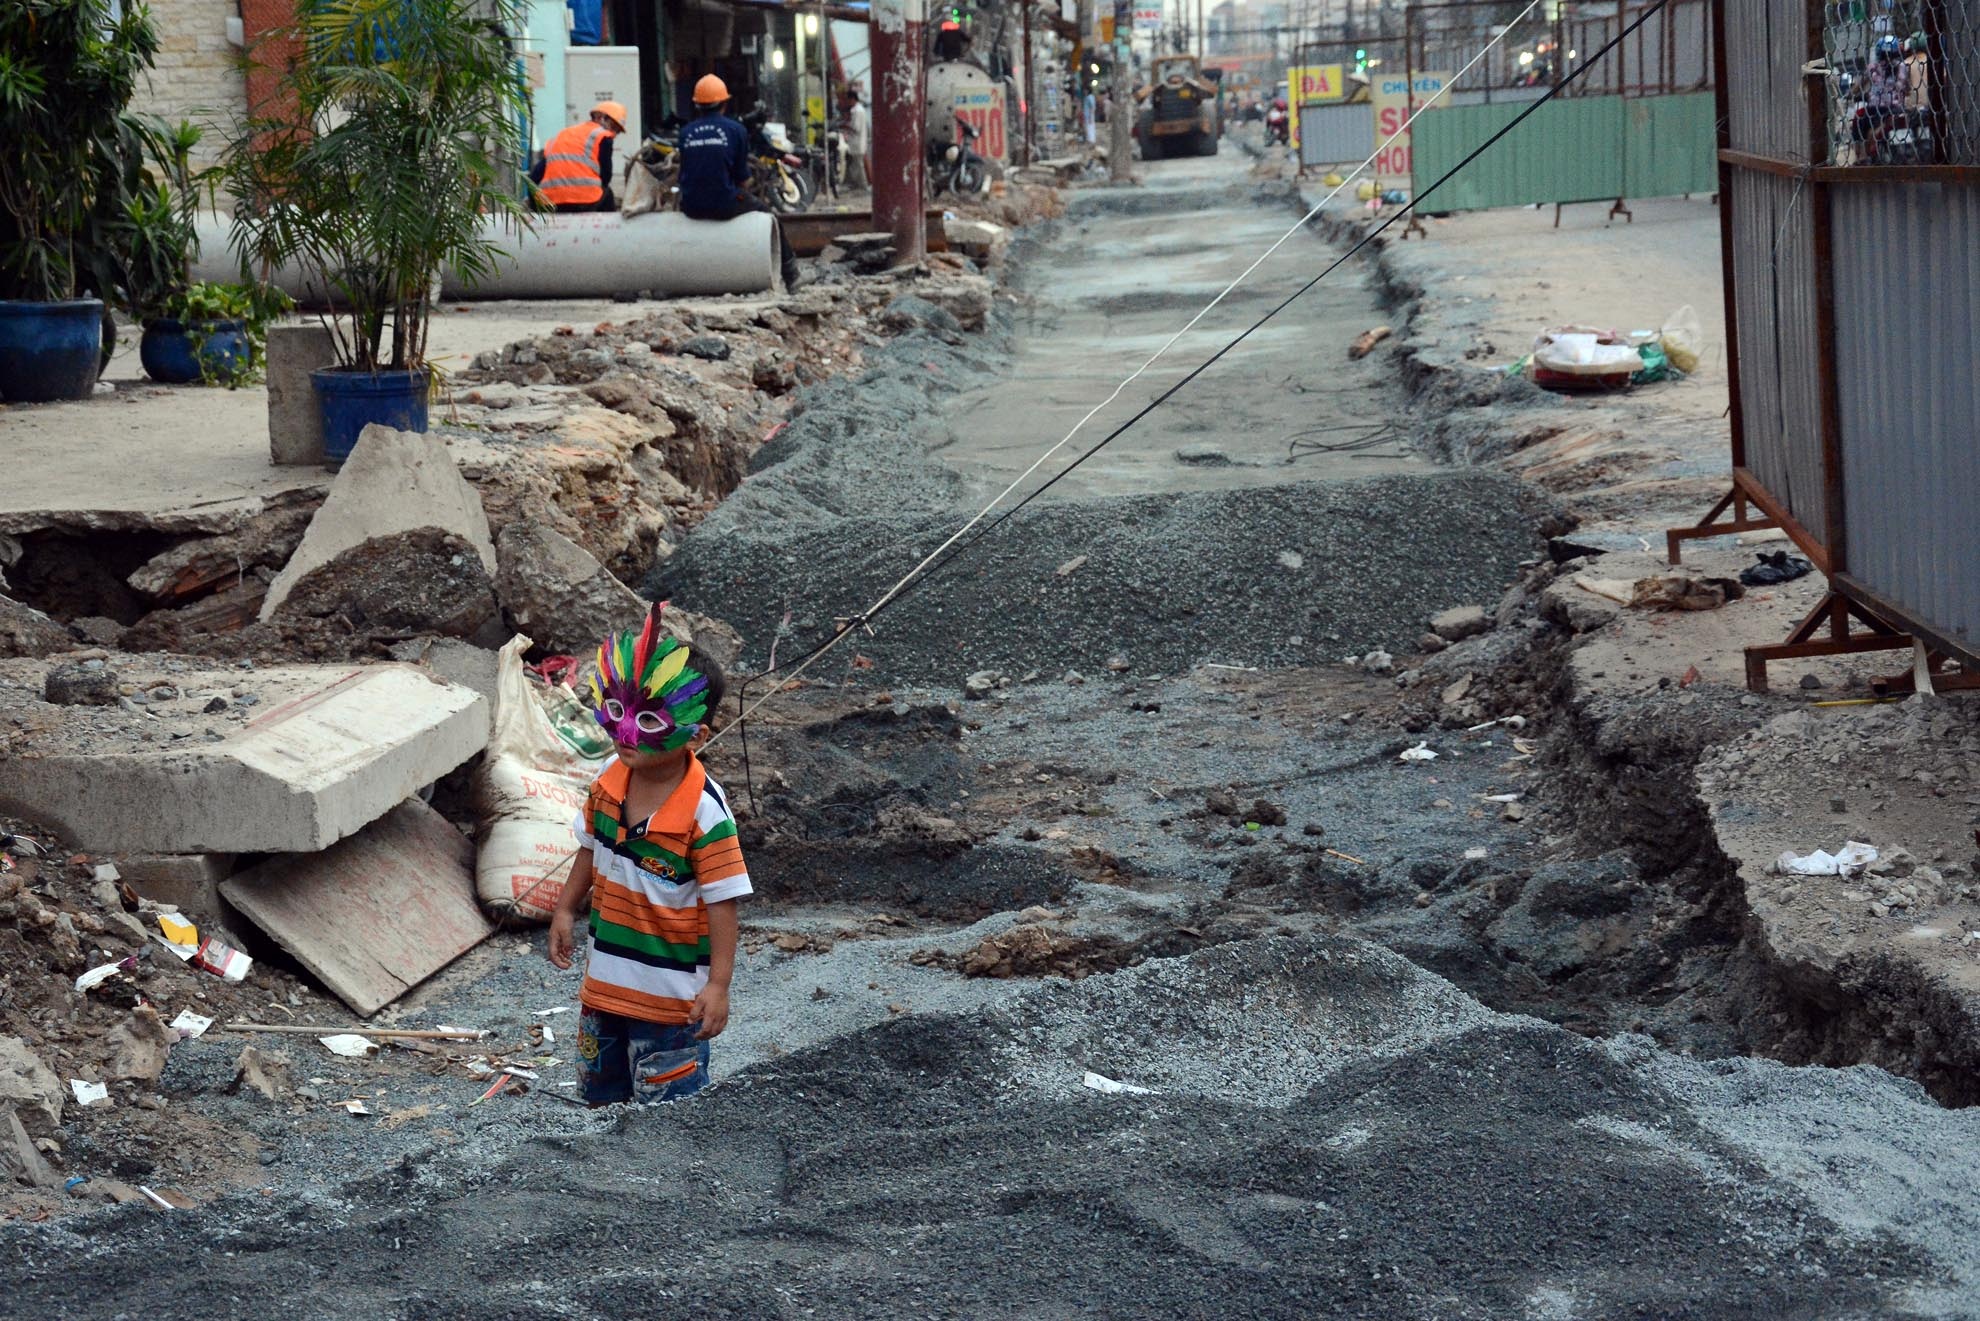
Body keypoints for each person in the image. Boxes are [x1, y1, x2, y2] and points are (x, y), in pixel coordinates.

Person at [547, 607, 750, 1108]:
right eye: (618, 711)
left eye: (649, 719)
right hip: (603, 991)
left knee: (667, 1115)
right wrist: (566, 908)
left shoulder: (705, 812)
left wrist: (718, 985)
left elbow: (723, 900)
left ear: (695, 735)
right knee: (601, 1106)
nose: (626, 732)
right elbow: (589, 847)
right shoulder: (607, 780)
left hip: (672, 1004)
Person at [676, 74, 802, 290]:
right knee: (768, 214)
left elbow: (686, 172)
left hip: (690, 206)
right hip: (724, 203)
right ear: (724, 104)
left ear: (697, 105)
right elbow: (742, 179)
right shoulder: (736, 130)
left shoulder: (685, 133)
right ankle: (792, 275)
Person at [530, 101, 627, 212]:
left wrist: (536, 208)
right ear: (601, 118)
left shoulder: (563, 134)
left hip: (552, 204)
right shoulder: (602, 136)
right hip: (586, 202)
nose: (614, 134)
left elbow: (534, 177)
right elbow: (606, 177)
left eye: (617, 131)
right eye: (614, 127)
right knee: (608, 194)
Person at [840, 87, 870, 193]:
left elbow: (855, 127)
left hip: (857, 142)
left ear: (852, 99)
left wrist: (845, 125)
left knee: (858, 165)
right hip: (857, 142)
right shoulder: (860, 109)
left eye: (848, 100)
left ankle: (863, 186)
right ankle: (854, 184)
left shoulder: (856, 111)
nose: (847, 102)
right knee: (854, 165)